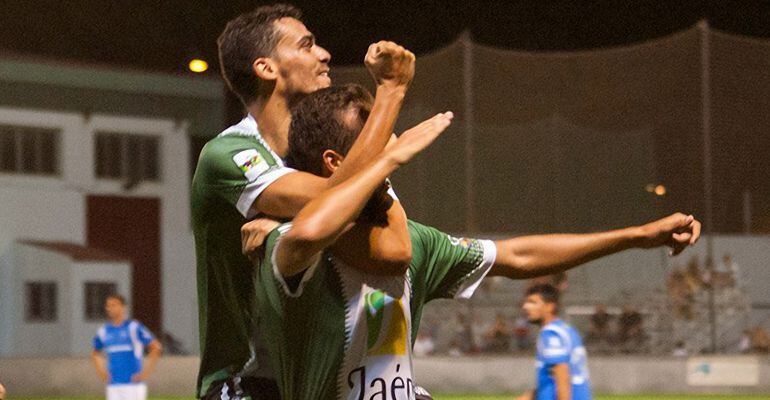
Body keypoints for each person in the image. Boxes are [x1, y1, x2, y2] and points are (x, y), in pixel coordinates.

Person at [241, 84, 702, 399]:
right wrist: (389, 157)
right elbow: (309, 232)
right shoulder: (287, 242)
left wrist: (636, 236)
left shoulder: (416, 242)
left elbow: (518, 254)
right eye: (380, 143)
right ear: (334, 161)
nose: (397, 150)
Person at [193, 3, 418, 398]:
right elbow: (341, 196)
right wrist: (390, 93)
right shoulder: (228, 153)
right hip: (245, 383)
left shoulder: (332, 156)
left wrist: (284, 229)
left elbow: (396, 247)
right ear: (266, 68)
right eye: (306, 45)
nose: (324, 54)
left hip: (320, 379)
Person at [517, 284, 590, 400]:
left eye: (532, 302)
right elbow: (553, 379)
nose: (525, 306)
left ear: (549, 307)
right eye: (526, 302)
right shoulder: (567, 330)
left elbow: (563, 379)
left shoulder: (551, 334)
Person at [91, 294, 162, 400]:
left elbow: (156, 347)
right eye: (108, 305)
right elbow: (95, 352)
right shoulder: (104, 331)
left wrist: (144, 373)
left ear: (123, 307)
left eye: (113, 305)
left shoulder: (133, 327)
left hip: (133, 386)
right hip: (113, 386)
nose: (109, 308)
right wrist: (102, 373)